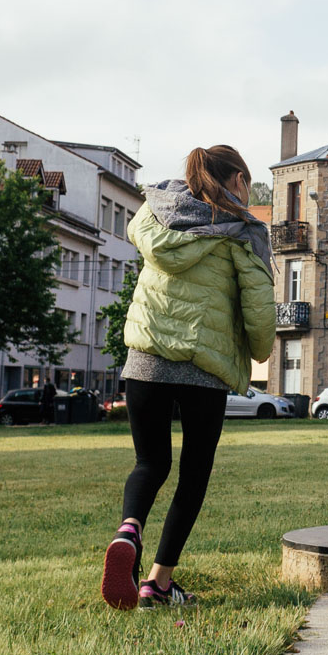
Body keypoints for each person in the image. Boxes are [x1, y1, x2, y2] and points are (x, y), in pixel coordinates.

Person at [101, 144, 276, 611]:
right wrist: (261, 351)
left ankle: (128, 532)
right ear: (238, 180)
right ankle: (158, 583)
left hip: (145, 361)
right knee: (193, 473)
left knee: (149, 463)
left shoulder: (156, 212)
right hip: (203, 365)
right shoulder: (240, 229)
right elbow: (259, 308)